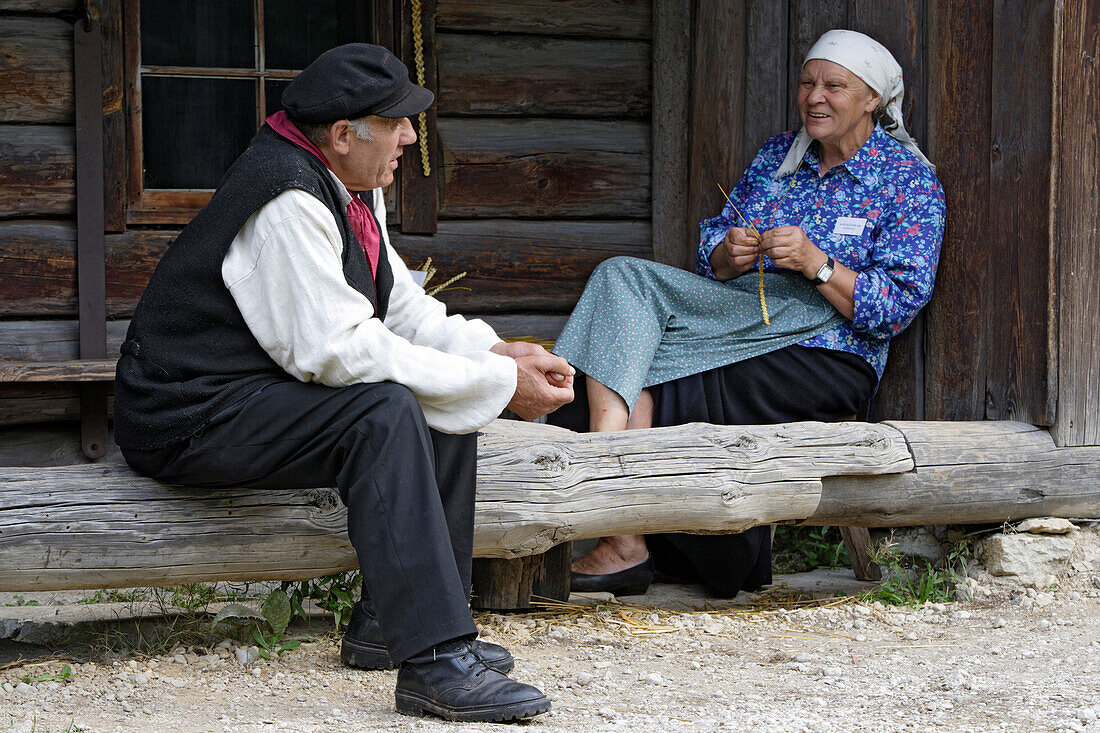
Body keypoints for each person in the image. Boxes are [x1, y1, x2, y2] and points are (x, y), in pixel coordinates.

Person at [113, 44, 575, 723]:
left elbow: (398, 310)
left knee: (436, 396)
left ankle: (396, 624)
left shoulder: (349, 186)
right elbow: (336, 352)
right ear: (342, 135)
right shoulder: (288, 200)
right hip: (188, 416)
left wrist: (493, 351)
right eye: (398, 124)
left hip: (250, 393)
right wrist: (498, 383)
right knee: (384, 407)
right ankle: (436, 662)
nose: (411, 138)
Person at [550, 30, 945, 598]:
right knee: (620, 282)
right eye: (808, 83)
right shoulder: (779, 157)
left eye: (835, 86)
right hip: (734, 322)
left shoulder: (907, 182)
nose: (815, 97)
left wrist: (819, 265)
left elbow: (896, 306)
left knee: (650, 377)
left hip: (826, 351)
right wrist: (725, 253)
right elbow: (716, 236)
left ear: (872, 100)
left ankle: (646, 542)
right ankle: (625, 535)